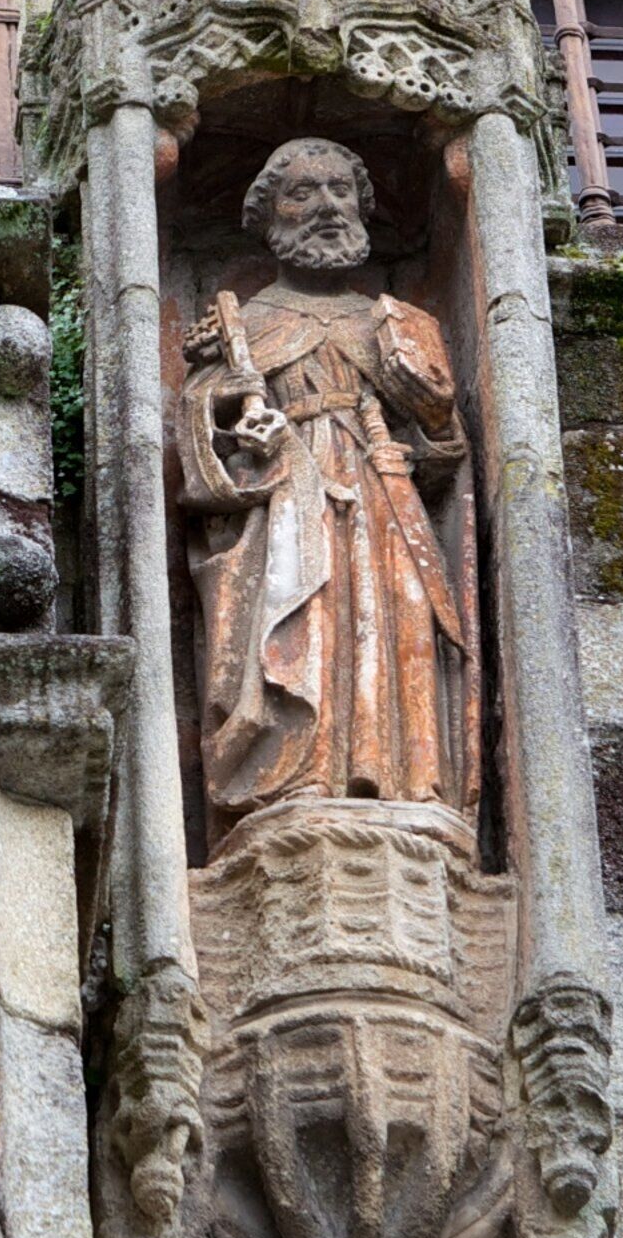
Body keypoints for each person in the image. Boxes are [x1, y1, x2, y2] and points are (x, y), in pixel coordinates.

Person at [173, 136, 475, 818]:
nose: (326, 207)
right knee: (298, 629)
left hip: (382, 500)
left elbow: (447, 461)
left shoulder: (397, 323)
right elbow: (200, 455)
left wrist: (428, 416)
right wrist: (239, 425)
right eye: (303, 193)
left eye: (340, 190)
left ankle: (405, 779)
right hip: (287, 508)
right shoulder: (245, 327)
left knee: (391, 627)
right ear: (270, 217)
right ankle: (296, 778)